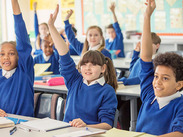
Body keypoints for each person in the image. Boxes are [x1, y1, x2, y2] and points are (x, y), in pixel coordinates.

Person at [48, 5, 118, 130]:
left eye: (93, 64)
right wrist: (51, 27)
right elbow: (64, 54)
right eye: (84, 64)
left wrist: (86, 126)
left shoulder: (107, 91)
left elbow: (107, 125)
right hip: (67, 132)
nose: (88, 68)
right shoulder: (75, 81)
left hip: (90, 133)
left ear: (103, 68)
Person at [136, 0, 183, 136]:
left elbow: (179, 134)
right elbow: (145, 57)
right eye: (156, 76)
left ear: (179, 84)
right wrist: (147, 16)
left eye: (165, 78)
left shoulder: (180, 105)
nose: (157, 82)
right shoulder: (149, 94)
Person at [0, 0, 34, 117]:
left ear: (19, 56)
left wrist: (14, 3)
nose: (6, 57)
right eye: (2, 54)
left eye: (11, 53)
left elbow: (21, 35)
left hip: (25, 126)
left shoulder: (24, 70)